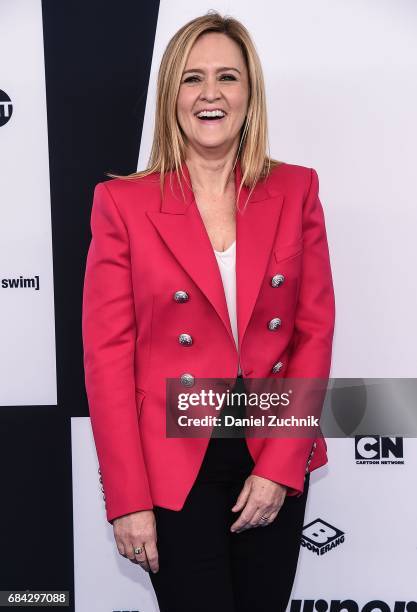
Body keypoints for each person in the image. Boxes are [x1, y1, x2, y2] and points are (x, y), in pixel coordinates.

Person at [82, 10, 335, 612]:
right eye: (192, 79)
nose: (210, 94)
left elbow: (313, 332)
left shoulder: (297, 189)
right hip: (171, 465)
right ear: (172, 94)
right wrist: (127, 499)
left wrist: (279, 468)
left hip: (270, 447)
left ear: (250, 93)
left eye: (227, 76)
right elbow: (107, 358)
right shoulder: (122, 203)